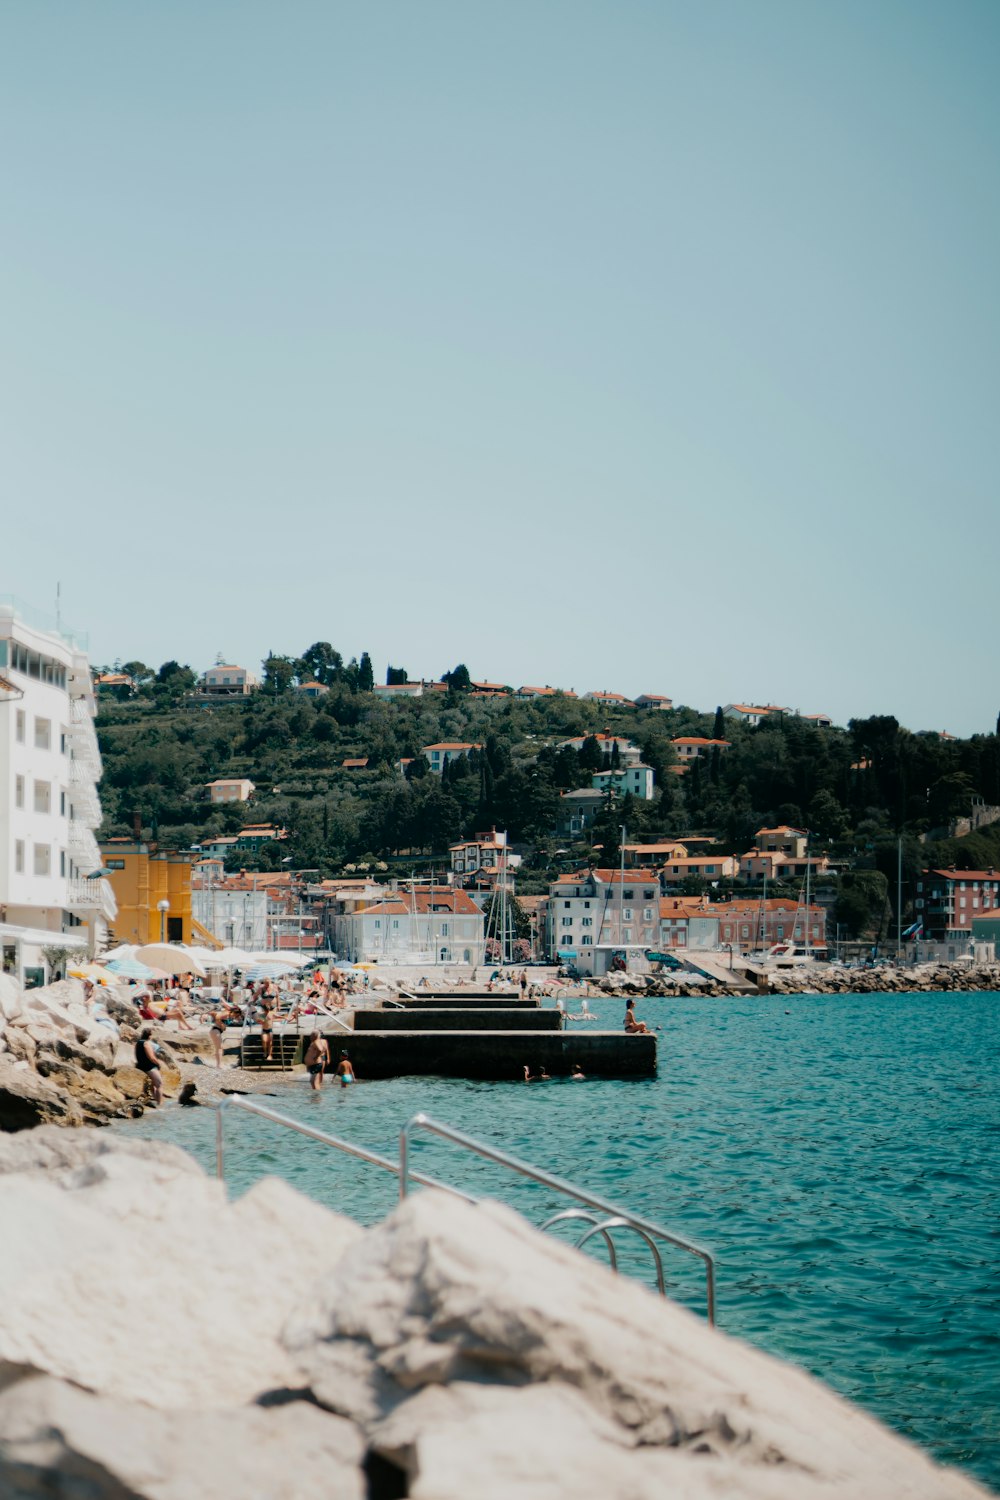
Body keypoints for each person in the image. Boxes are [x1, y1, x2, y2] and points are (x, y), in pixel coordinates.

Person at [135, 1027, 163, 1107]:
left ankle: (155, 1102)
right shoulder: (146, 1043)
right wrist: (158, 1063)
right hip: (149, 1067)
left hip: (141, 1065)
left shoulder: (138, 1042)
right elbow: (151, 1057)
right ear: (149, 1035)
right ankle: (160, 1104)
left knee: (153, 1085)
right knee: (159, 1084)